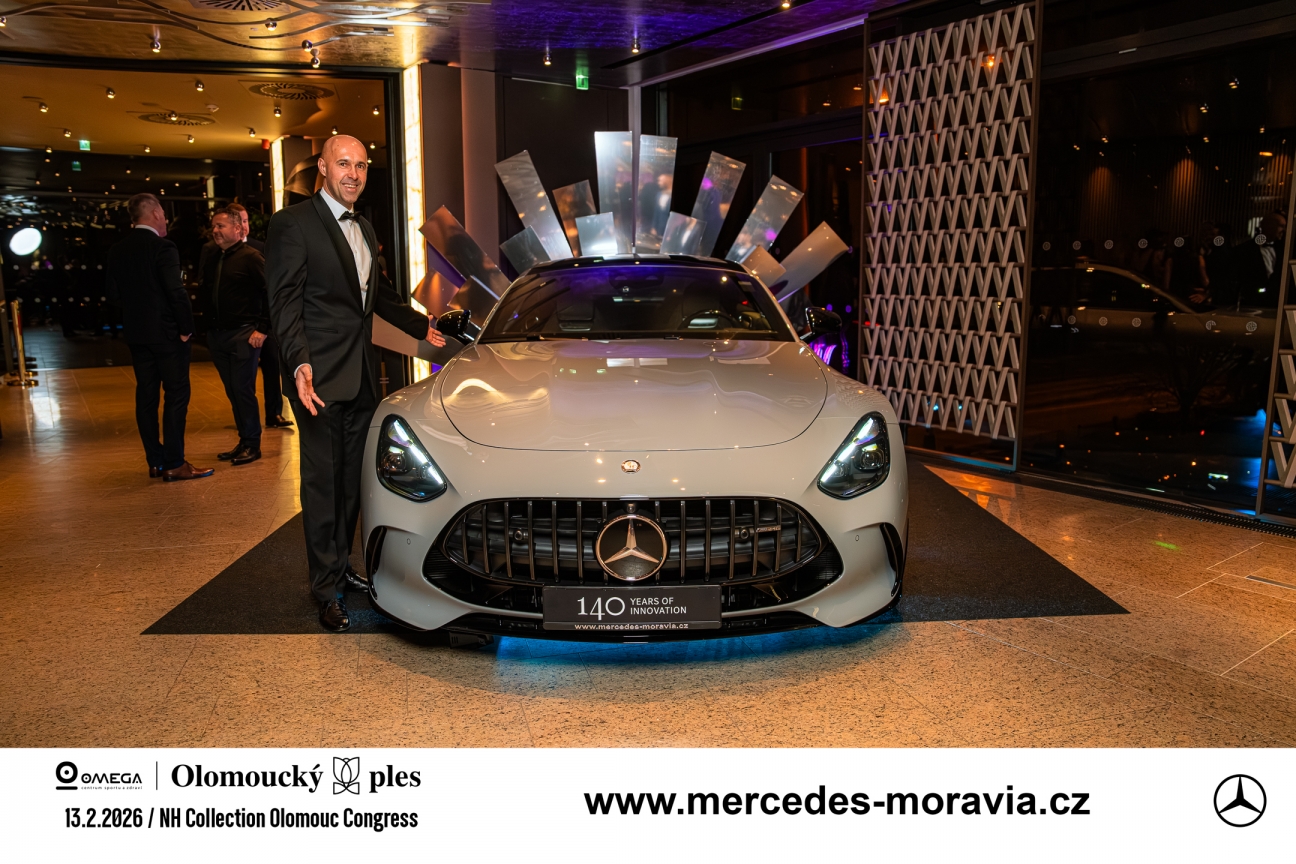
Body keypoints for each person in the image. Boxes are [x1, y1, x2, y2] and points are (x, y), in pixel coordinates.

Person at [266, 134, 445, 633]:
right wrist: (298, 363)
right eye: (343, 163)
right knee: (323, 484)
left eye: (362, 165)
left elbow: (378, 295)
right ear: (323, 168)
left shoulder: (363, 226)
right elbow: (284, 302)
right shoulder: (292, 223)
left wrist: (421, 326)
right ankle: (325, 588)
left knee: (351, 484)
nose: (353, 174)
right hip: (317, 379)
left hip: (362, 376)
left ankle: (342, 565)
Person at [104, 193, 213, 482]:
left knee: (146, 396)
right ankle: (174, 463)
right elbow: (175, 291)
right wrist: (186, 328)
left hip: (137, 335)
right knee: (176, 396)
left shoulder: (118, 249)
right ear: (154, 214)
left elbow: (113, 295)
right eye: (163, 213)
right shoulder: (164, 247)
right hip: (168, 335)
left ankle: (155, 461)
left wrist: (138, 313)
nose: (165, 218)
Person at [201, 208, 268, 466]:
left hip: (243, 334)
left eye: (221, 226)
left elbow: (271, 293)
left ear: (238, 229)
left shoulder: (251, 257)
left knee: (242, 390)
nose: (215, 231)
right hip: (218, 335)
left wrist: (262, 329)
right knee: (232, 391)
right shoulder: (213, 256)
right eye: (214, 226)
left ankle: (252, 444)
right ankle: (243, 440)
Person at [228, 201, 292, 429]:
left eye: (246, 220)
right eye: (240, 221)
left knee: (272, 365)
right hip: (241, 321)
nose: (244, 226)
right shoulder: (219, 251)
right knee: (242, 377)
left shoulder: (260, 247)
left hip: (265, 318)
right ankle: (246, 418)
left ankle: (274, 413)